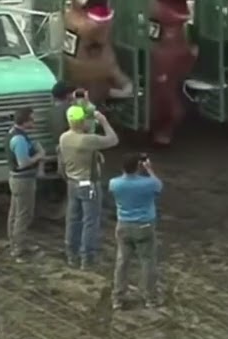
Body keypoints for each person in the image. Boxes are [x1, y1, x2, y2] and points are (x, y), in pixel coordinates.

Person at [58, 104, 119, 269]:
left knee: (72, 219)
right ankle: (87, 258)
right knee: (90, 221)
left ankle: (71, 254)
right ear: (81, 121)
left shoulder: (64, 138)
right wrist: (103, 121)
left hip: (72, 183)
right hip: (88, 184)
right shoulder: (86, 140)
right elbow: (113, 139)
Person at [109, 153, 163, 310]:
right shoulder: (148, 183)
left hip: (124, 225)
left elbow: (120, 183)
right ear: (139, 167)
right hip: (144, 226)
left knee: (122, 262)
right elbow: (159, 185)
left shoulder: (115, 183)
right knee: (147, 262)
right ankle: (150, 299)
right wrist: (150, 169)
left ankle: (117, 298)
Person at [5, 107, 45, 261]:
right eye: (32, 119)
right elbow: (23, 163)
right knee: (23, 215)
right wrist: (39, 155)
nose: (34, 122)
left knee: (15, 213)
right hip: (23, 180)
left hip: (16, 179)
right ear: (26, 121)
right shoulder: (19, 139)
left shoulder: (12, 134)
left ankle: (14, 242)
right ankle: (19, 249)